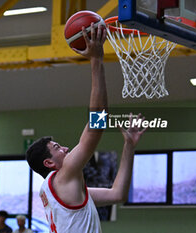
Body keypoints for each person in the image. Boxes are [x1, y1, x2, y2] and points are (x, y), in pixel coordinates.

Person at [26, 23, 146, 232]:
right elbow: (97, 124)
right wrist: (96, 59)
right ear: (49, 162)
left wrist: (129, 146)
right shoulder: (62, 178)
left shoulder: (65, 188)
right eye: (57, 148)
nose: (65, 149)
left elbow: (118, 194)